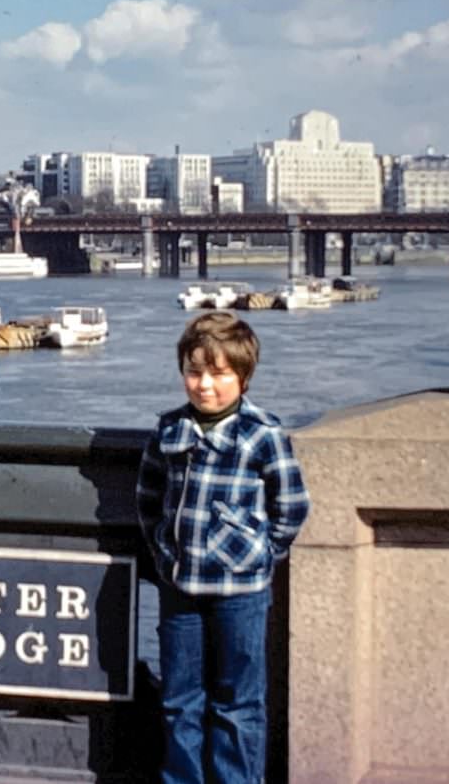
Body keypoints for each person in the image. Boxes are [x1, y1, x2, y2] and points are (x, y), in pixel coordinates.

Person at [136, 311, 310, 783]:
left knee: (239, 703)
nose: (204, 385)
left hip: (243, 593)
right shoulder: (169, 430)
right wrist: (163, 551)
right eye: (194, 372)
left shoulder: (263, 435)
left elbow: (290, 508)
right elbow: (149, 498)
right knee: (179, 699)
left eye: (219, 374)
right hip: (180, 588)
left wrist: (257, 556)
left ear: (243, 377)